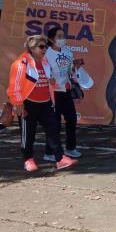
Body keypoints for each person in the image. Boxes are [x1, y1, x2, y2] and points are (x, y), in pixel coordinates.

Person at [7, 35, 78, 172]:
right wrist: (18, 103)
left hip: (45, 103)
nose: (44, 49)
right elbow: (14, 85)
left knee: (53, 130)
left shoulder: (45, 62)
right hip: (28, 103)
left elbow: (48, 79)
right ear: (31, 48)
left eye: (45, 46)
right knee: (28, 134)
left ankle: (60, 159)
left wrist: (51, 82)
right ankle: (28, 159)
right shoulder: (21, 63)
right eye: (41, 46)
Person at [43, 27, 82, 161]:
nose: (62, 39)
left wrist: (75, 66)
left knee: (71, 120)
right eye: (59, 36)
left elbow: (70, 70)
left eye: (63, 36)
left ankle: (70, 148)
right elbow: (43, 71)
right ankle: (50, 152)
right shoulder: (46, 54)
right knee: (54, 124)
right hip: (53, 93)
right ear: (51, 39)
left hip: (66, 91)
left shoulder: (67, 52)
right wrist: (49, 78)